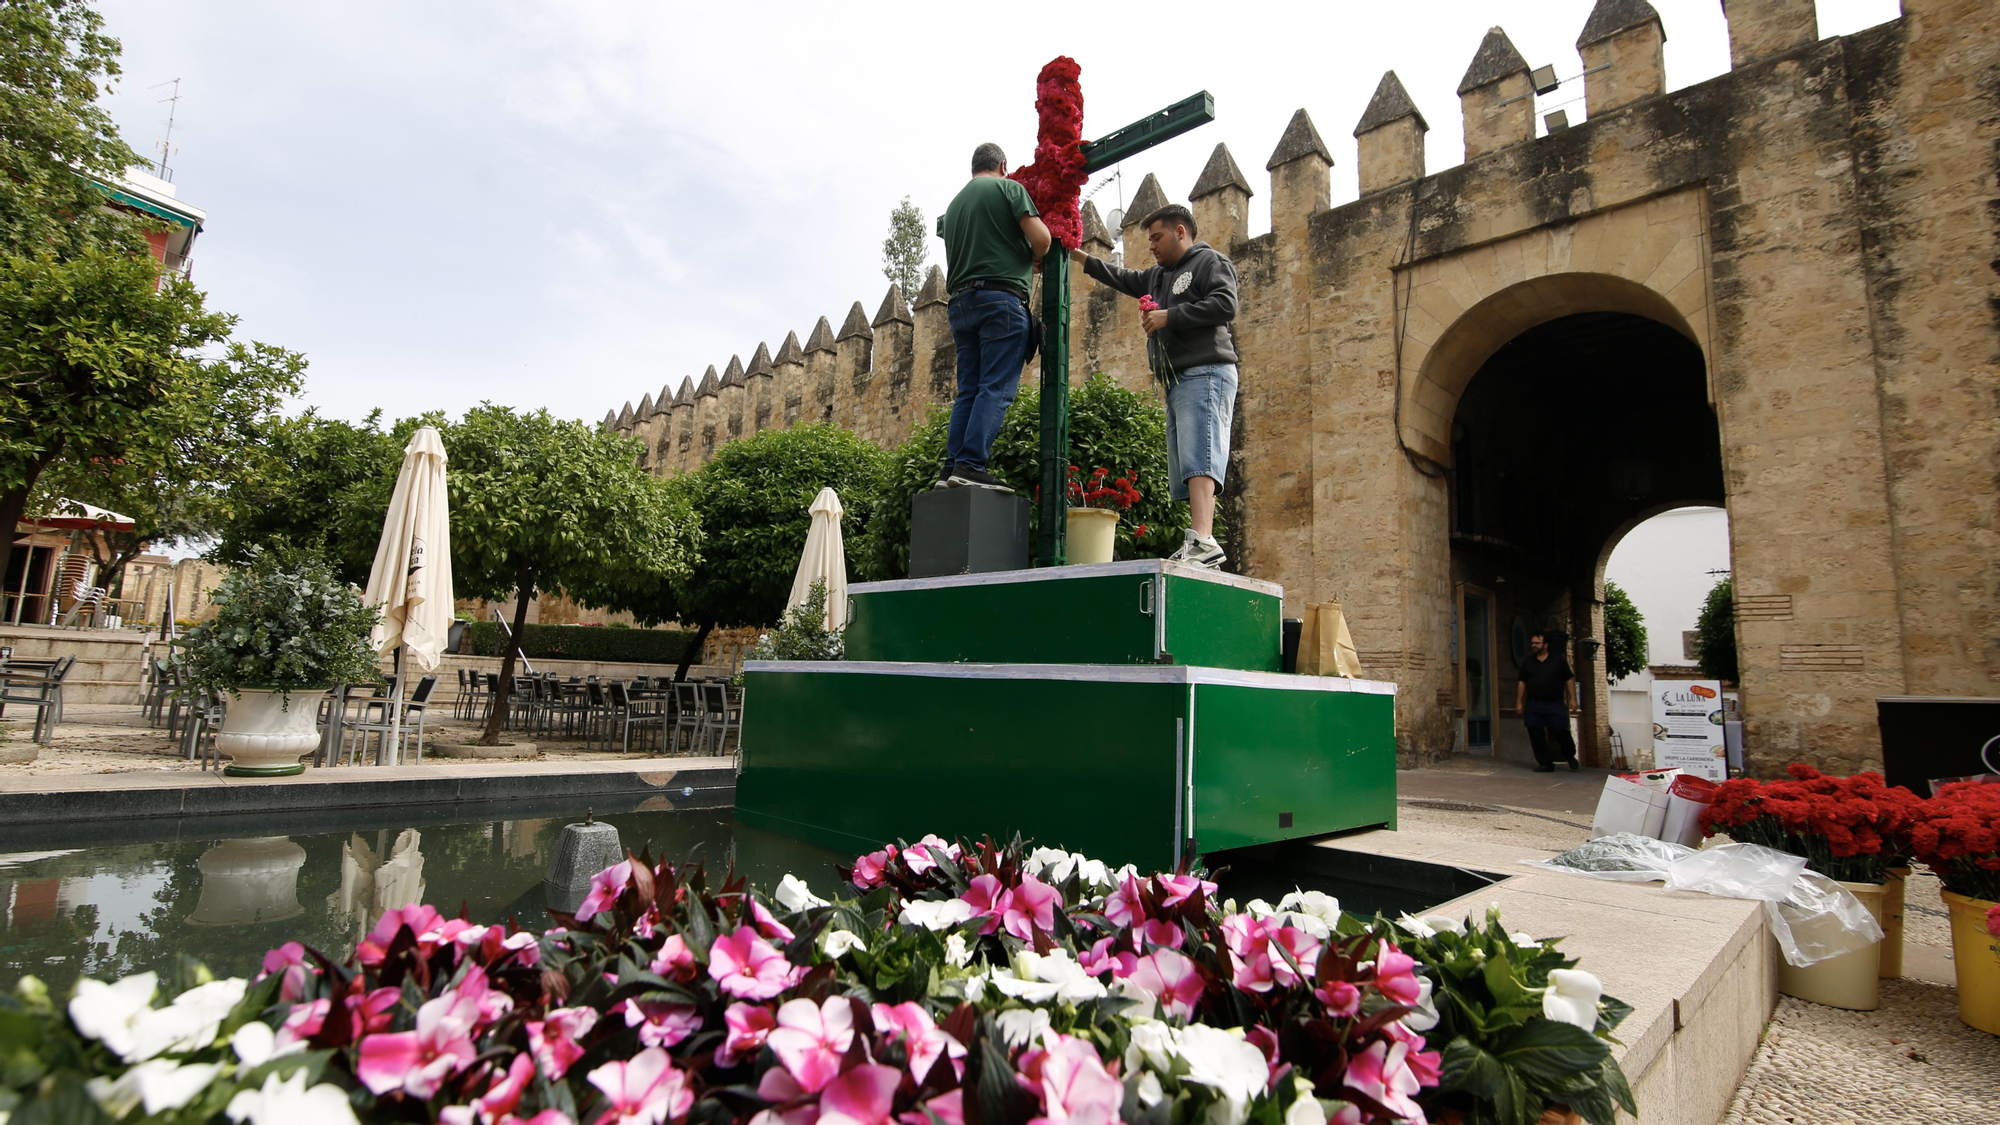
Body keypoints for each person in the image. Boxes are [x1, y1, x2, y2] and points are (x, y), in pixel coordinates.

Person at [1070, 204, 1238, 567]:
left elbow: (1225, 304)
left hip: (1206, 370)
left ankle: (1204, 539)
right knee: (1188, 463)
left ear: (1181, 231)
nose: (1151, 246)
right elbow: (1120, 276)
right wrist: (1075, 252)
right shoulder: (1158, 276)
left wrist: (1169, 316)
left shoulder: (1209, 262)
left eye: (1157, 237)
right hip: (1178, 380)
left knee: (1201, 456)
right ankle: (1199, 540)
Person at [936, 142, 1052, 492]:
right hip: (1001, 300)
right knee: (996, 387)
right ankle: (971, 464)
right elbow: (1043, 239)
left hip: (960, 304)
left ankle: (951, 467)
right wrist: (1032, 256)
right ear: (1003, 165)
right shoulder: (1009, 188)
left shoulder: (953, 206)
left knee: (968, 390)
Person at [1516, 631, 1579, 771]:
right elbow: (1522, 682)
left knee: (1561, 732)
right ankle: (1545, 763)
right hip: (1534, 704)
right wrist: (1519, 701)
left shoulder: (1558, 660)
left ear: (1546, 645)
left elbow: (1569, 679)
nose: (1534, 645)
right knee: (1536, 734)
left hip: (1555, 704)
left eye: (1537, 643)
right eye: (1533, 643)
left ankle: (1569, 755)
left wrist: (1573, 699)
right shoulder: (1528, 663)